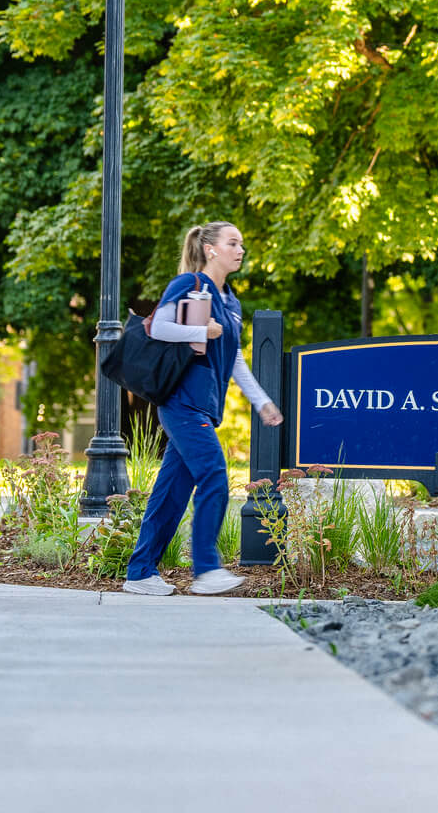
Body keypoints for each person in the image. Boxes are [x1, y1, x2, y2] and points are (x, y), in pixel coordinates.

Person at [125, 221, 284, 596]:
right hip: (182, 402)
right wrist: (202, 332)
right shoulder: (190, 284)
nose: (240, 249)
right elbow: (158, 328)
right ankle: (207, 569)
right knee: (214, 475)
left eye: (242, 243)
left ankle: (139, 572)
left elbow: (235, 359)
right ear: (211, 249)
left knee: (171, 494)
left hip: (204, 405)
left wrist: (261, 402)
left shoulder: (231, 302)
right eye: (233, 243)